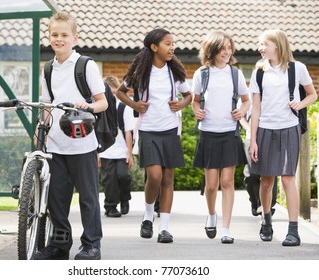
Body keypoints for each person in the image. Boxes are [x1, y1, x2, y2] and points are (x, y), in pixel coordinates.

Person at [34, 11, 107, 260]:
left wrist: (87, 107)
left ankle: (91, 245)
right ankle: (59, 245)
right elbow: (46, 104)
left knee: (88, 198)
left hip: (82, 142)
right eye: (55, 34)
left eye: (64, 35)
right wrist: (39, 132)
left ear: (74, 38)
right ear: (49, 37)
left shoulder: (85, 65)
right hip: (55, 142)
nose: (59, 39)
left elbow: (103, 103)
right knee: (57, 198)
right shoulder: (47, 69)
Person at [116, 28, 192, 243]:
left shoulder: (174, 72)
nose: (172, 48)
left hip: (170, 130)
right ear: (154, 47)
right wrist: (134, 104)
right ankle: (148, 216)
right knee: (155, 176)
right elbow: (120, 91)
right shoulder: (140, 72)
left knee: (168, 178)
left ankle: (164, 227)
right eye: (168, 44)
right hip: (148, 129)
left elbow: (188, 95)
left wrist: (180, 105)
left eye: (172, 44)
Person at [249, 29, 317, 246]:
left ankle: (293, 231)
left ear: (277, 45)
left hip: (289, 127)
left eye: (264, 44)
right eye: (260, 44)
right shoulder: (259, 71)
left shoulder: (298, 68)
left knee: (288, 178)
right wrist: (253, 140)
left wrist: (300, 103)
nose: (260, 48)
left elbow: (312, 94)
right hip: (265, 129)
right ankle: (266, 221)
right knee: (267, 181)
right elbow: (256, 109)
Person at [191, 30, 250, 244]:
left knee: (227, 181)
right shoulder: (202, 74)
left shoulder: (235, 74)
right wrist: (196, 110)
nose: (227, 51)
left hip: (229, 133)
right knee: (211, 185)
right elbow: (195, 100)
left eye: (229, 47)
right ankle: (212, 214)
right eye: (223, 48)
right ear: (212, 50)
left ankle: (226, 228)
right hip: (208, 133)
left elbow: (246, 100)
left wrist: (242, 111)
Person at [99, 76, 135, 218]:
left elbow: (128, 132)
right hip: (105, 151)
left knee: (123, 176)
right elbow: (96, 132)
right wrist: (97, 154)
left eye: (115, 92)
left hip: (121, 151)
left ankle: (125, 198)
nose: (113, 96)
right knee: (109, 181)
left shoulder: (123, 107)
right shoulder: (101, 108)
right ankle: (110, 206)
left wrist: (129, 153)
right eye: (110, 93)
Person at [239, 97, 277, 217]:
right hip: (251, 138)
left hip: (270, 136)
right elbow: (241, 116)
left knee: (270, 172)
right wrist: (248, 128)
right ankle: (255, 201)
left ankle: (268, 205)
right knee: (251, 174)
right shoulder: (247, 94)